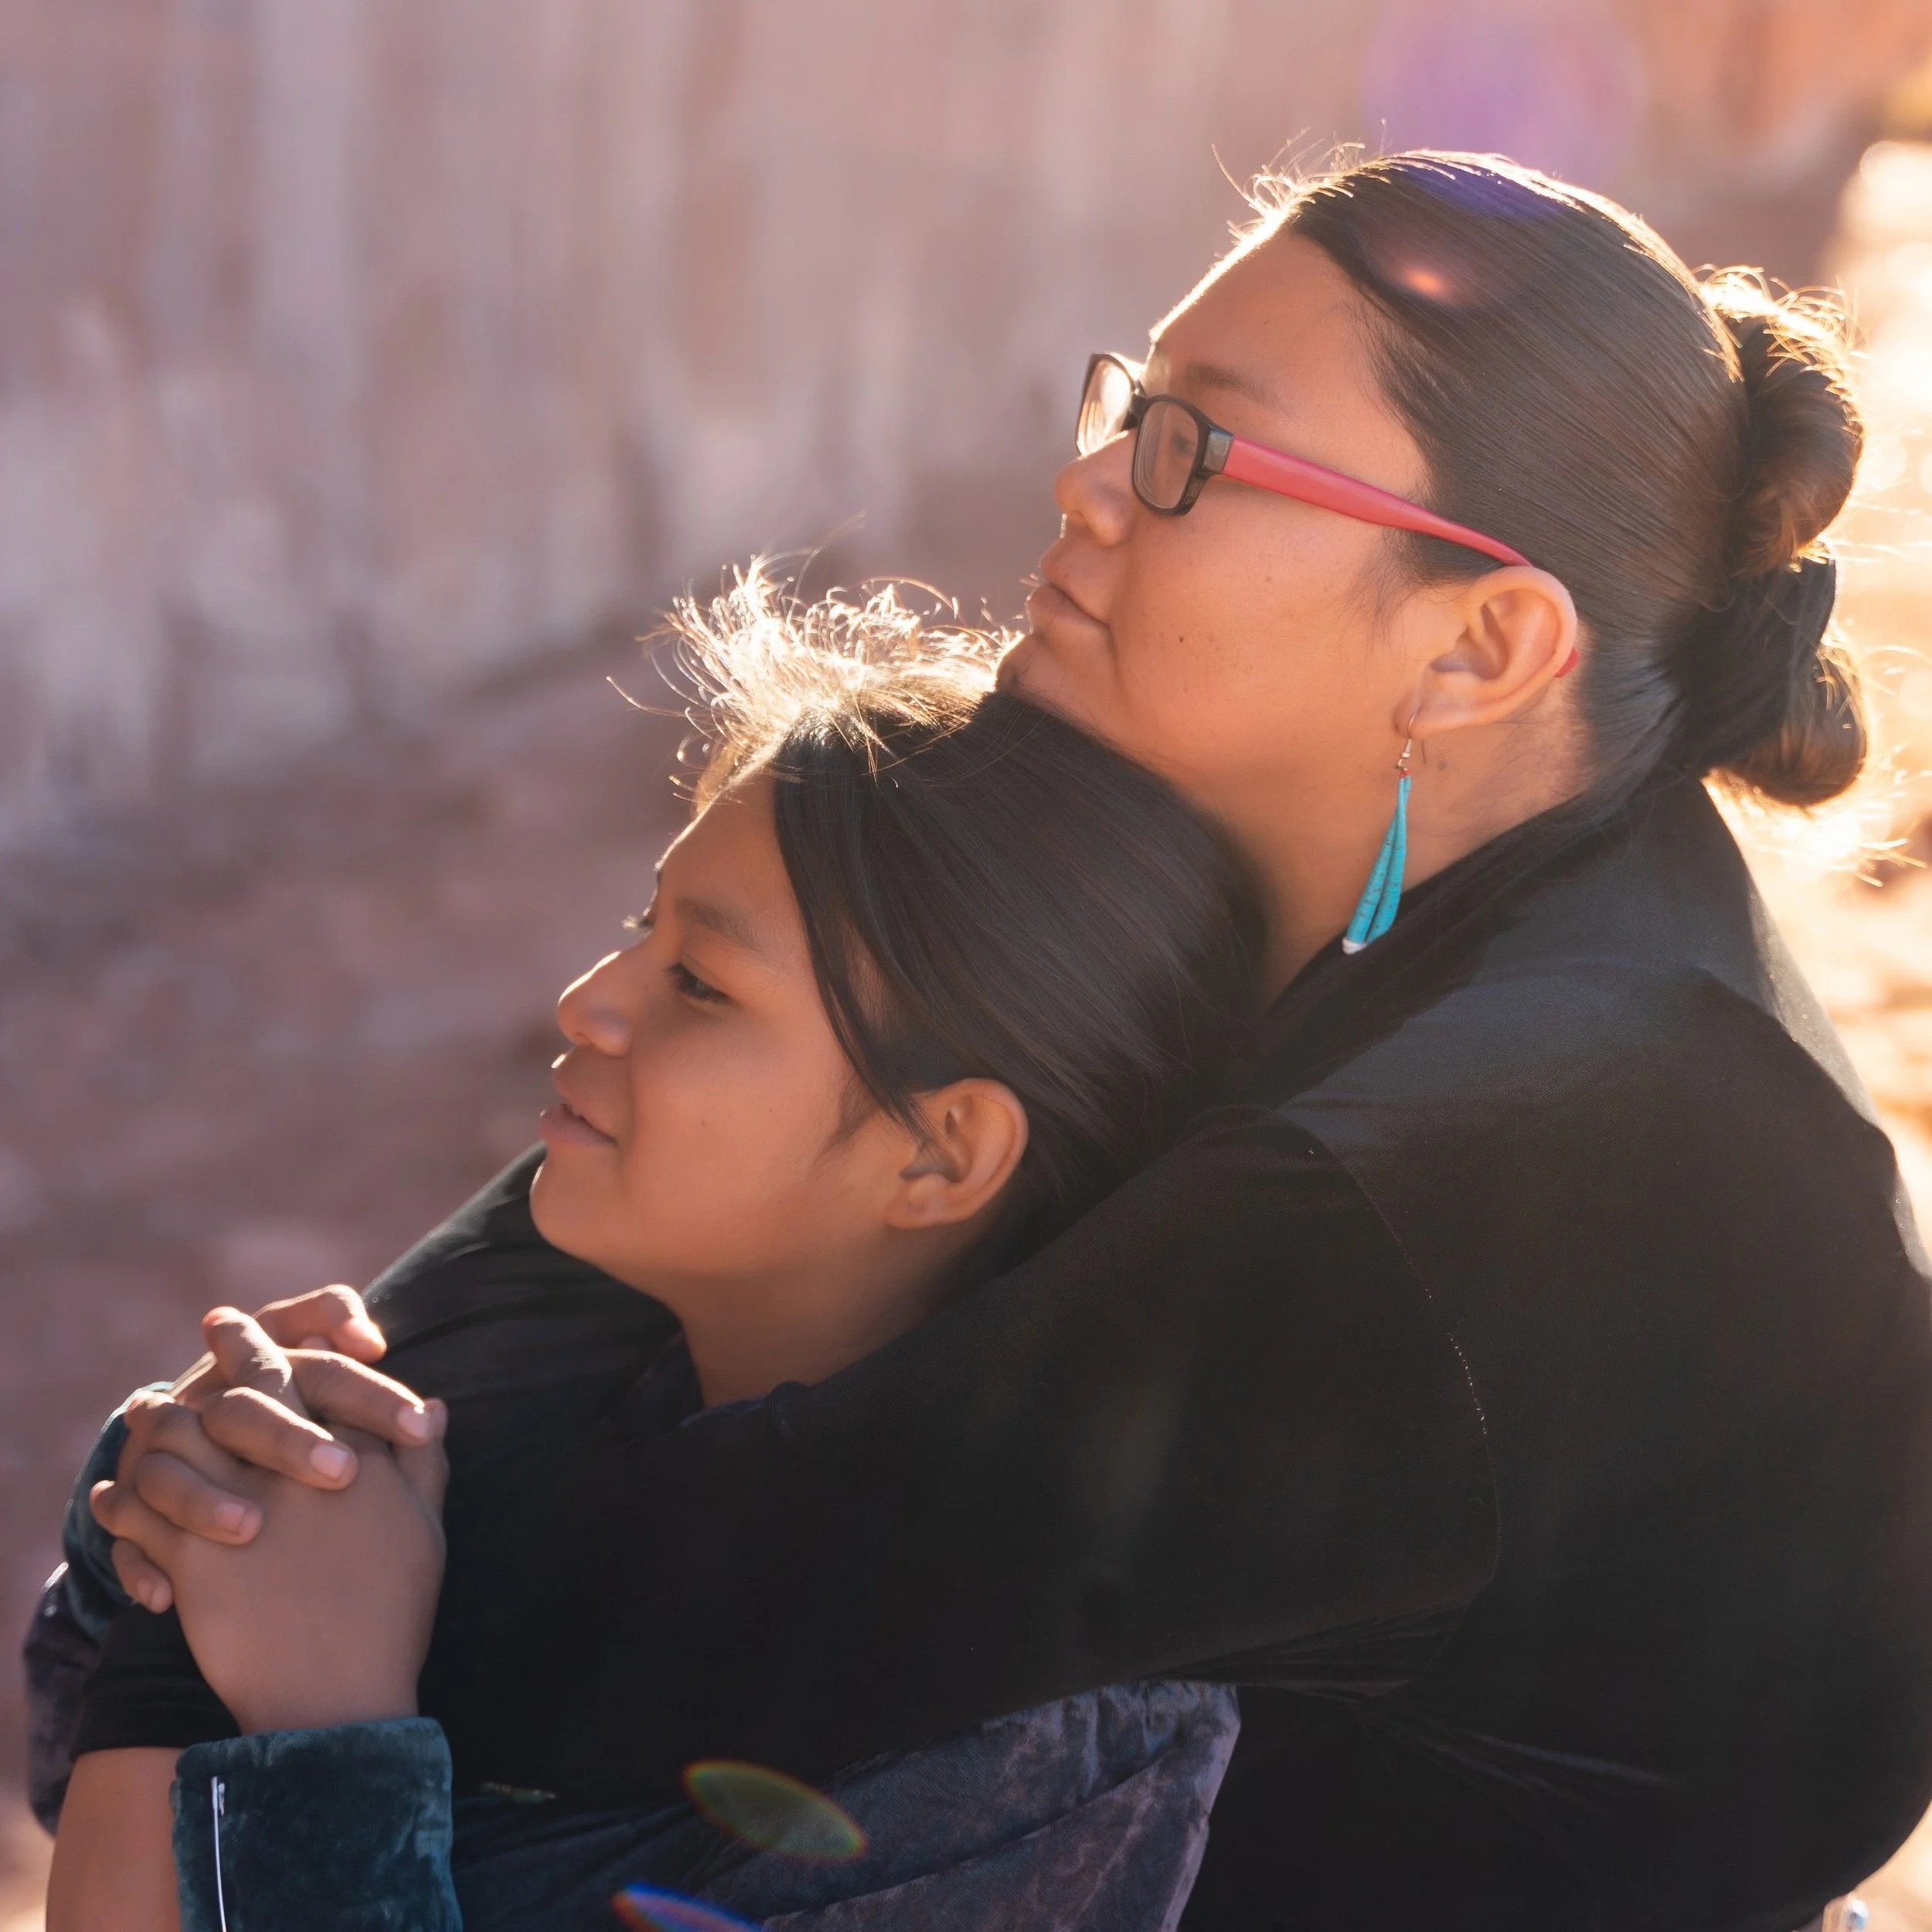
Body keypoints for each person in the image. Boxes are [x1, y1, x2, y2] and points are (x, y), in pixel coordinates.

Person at [38, 150, 1932, 1929]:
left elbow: (688, 1618)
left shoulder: (1545, 1155)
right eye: (1127, 407)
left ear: (1477, 646)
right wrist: (271, 1457)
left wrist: (225, 1528)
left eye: (1193, 452)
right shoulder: (1366, 874)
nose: (1088, 484)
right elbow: (528, 1293)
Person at [42, 578, 1262, 1930]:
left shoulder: (1043, 1737)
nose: (586, 1003)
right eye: (645, 928)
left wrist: (323, 1731)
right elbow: (65, 1761)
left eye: (700, 983)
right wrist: (180, 1511)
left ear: (939, 1153)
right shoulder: (519, 1373)